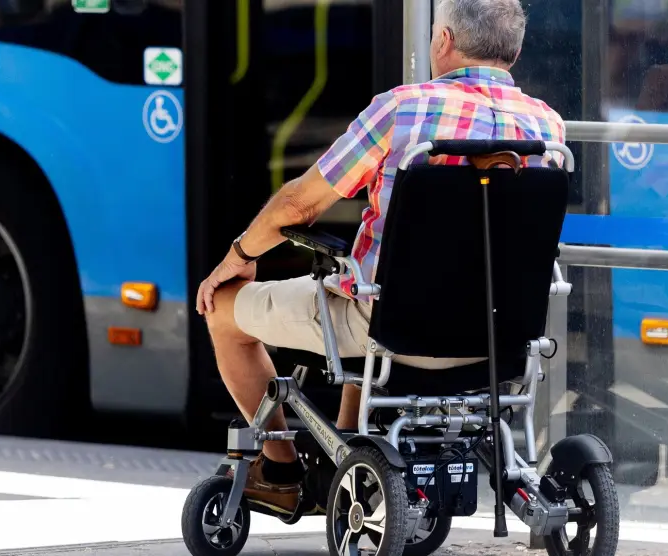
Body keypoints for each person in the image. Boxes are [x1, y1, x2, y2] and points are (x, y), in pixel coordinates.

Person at [195, 0, 566, 516]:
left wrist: (238, 255)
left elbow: (298, 205)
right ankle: (344, 458)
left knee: (223, 308)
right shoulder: (548, 126)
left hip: (391, 328)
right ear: (516, 52)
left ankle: (280, 470)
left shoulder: (402, 109)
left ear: (444, 41)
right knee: (365, 295)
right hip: (496, 338)